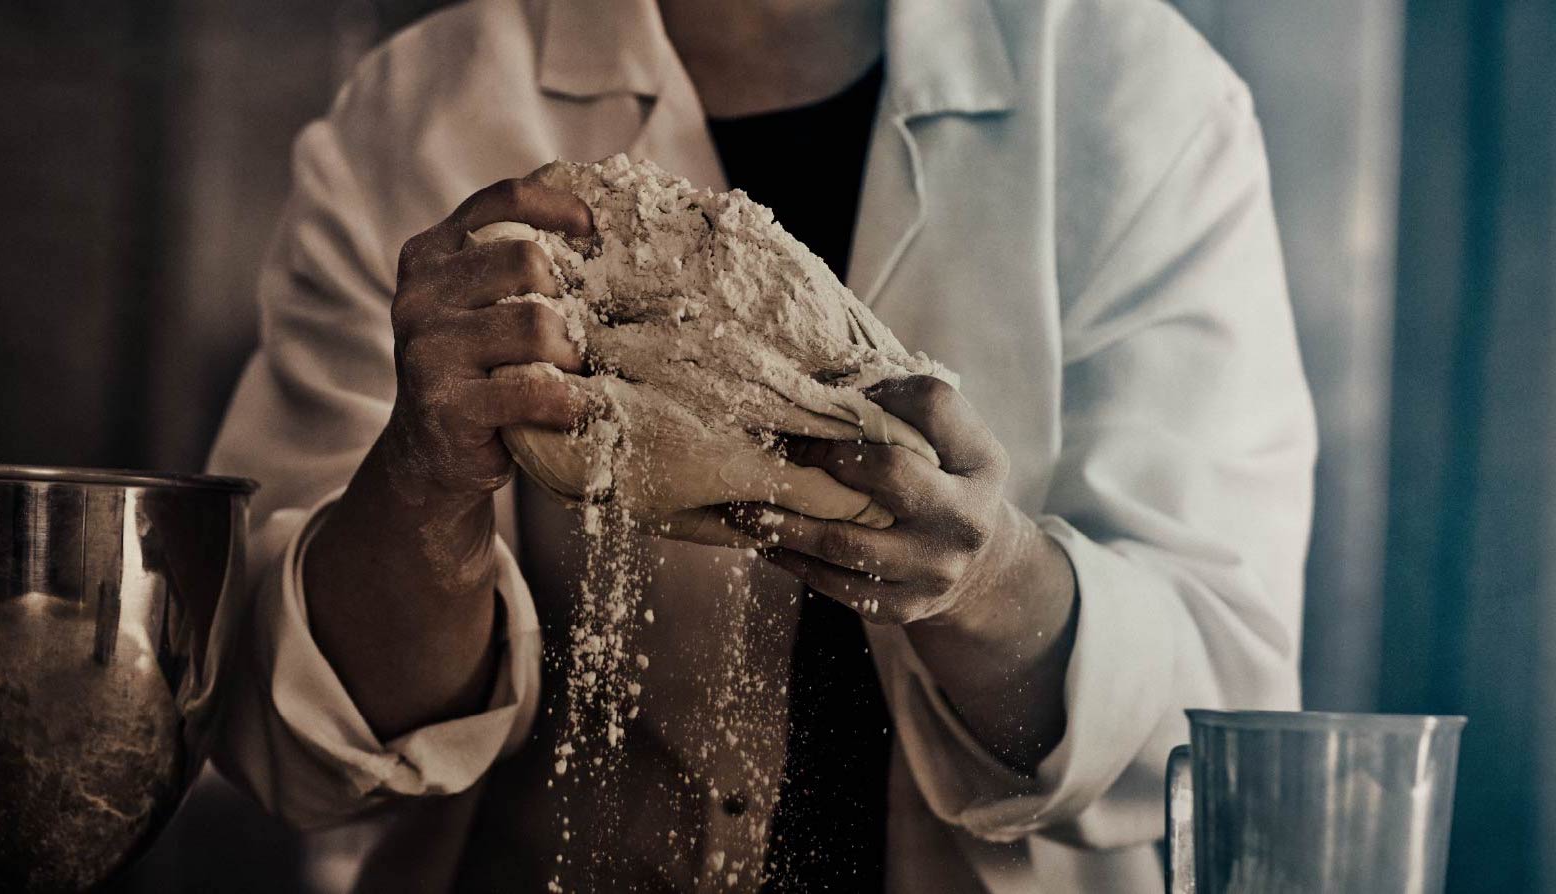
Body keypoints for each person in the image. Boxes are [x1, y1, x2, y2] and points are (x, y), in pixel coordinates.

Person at [204, 0, 1316, 890]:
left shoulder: (1135, 92)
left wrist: (988, 582)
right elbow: (293, 730)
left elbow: (1214, 712)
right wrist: (422, 479)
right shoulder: (421, 107)